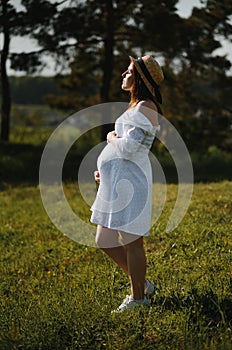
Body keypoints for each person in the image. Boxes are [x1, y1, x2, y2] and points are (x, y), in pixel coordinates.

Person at [90, 55, 164, 312]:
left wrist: (111, 139)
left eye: (129, 70)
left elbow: (130, 147)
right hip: (117, 183)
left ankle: (138, 299)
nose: (123, 73)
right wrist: (105, 172)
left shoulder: (146, 106)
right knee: (104, 238)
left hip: (132, 184)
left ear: (141, 78)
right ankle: (142, 284)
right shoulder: (135, 106)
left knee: (133, 243)